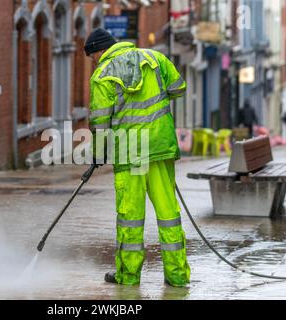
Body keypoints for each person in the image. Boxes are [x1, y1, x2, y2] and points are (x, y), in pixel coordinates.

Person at [84, 28, 191, 287]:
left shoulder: (101, 75)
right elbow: (179, 88)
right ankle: (177, 276)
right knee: (168, 213)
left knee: (130, 216)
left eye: (93, 57)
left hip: (130, 151)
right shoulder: (155, 59)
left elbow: (100, 122)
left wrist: (98, 154)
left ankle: (128, 276)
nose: (94, 62)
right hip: (160, 145)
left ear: (100, 51)